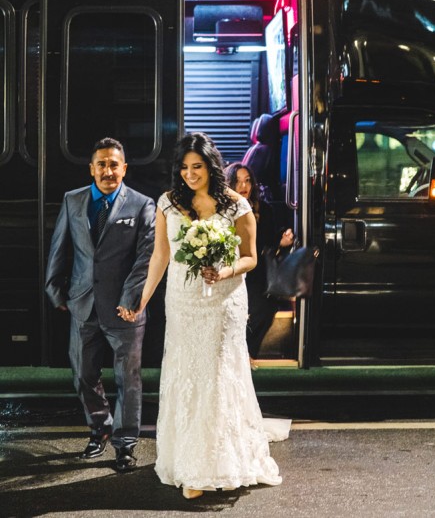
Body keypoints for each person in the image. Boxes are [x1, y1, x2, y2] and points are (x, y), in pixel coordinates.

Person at [119, 132, 283, 499]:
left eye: (197, 167)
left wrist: (224, 272)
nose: (190, 174)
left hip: (223, 303)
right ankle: (187, 459)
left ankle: (211, 465)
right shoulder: (168, 203)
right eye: (184, 167)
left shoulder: (236, 204)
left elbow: (250, 257)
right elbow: (160, 256)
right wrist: (142, 300)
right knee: (186, 375)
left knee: (216, 376)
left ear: (211, 166)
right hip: (183, 301)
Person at [45, 137, 155, 473]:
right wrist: (55, 289)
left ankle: (125, 444)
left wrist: (129, 299)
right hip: (82, 304)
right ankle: (101, 427)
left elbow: (145, 258)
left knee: (128, 380)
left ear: (124, 168)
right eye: (102, 164)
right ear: (92, 168)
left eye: (114, 164)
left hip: (126, 309)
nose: (108, 170)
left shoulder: (142, 204)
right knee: (83, 374)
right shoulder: (73, 200)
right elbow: (60, 246)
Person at [224, 162, 294, 363]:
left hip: (257, 271)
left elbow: (269, 241)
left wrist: (283, 239)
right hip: (231, 270)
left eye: (247, 181)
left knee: (266, 306)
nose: (243, 186)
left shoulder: (265, 209)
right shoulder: (223, 210)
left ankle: (247, 353)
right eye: (237, 182)